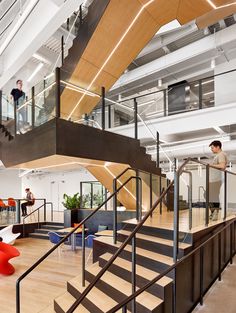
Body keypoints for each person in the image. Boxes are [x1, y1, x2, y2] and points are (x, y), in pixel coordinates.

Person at [209, 140, 228, 221]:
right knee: (209, 195)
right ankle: (213, 211)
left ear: (218, 147)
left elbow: (222, 165)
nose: (211, 149)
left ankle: (215, 212)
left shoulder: (221, 154)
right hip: (214, 179)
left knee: (213, 196)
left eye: (212, 148)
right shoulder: (218, 155)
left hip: (217, 179)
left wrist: (211, 165)